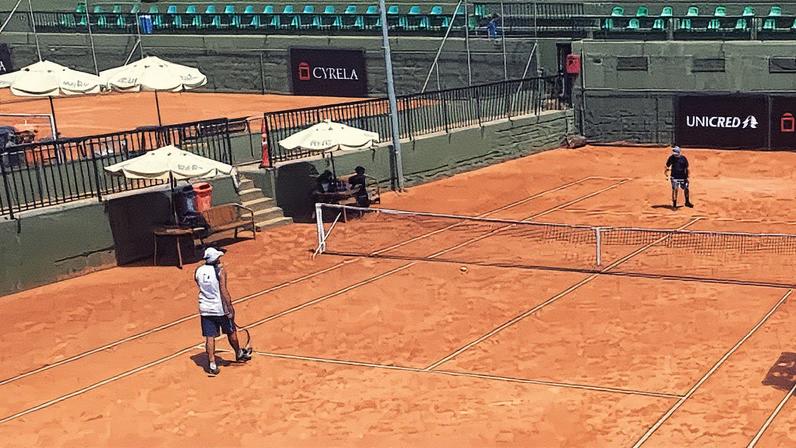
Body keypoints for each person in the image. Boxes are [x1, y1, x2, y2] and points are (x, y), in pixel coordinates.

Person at [195, 247, 252, 376]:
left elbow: (200, 285)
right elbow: (223, 291)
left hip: (205, 308)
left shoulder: (198, 271)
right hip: (220, 308)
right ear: (215, 259)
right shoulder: (220, 271)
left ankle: (212, 364)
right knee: (231, 331)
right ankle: (239, 353)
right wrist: (230, 307)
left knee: (210, 337)